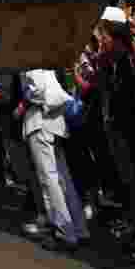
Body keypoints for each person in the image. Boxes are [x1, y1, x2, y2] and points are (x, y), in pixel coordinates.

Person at [16, 69, 90, 252]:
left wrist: (22, 106)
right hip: (53, 122)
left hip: (40, 121)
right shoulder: (44, 57)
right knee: (62, 179)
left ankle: (64, 232)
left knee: (49, 180)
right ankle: (79, 229)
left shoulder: (30, 59)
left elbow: (38, 89)